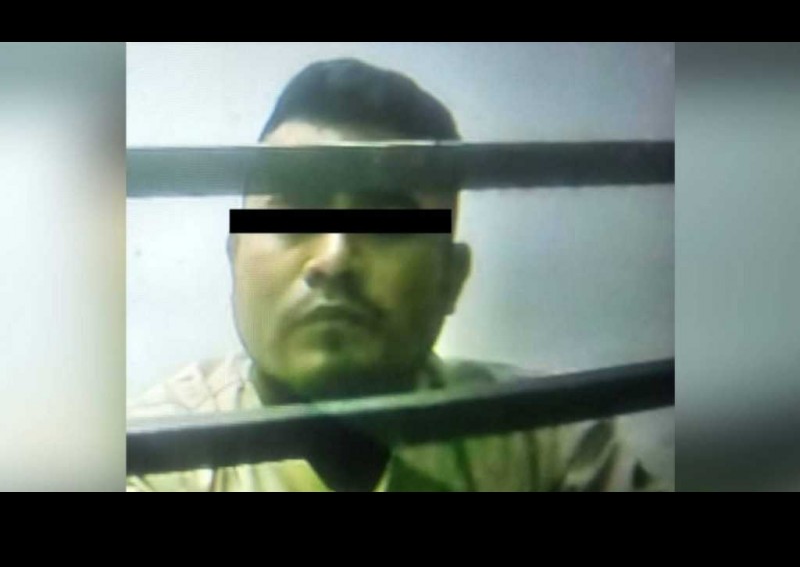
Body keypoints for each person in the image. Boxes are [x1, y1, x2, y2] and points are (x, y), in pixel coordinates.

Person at [127, 58, 667, 491]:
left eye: (387, 222)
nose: (334, 258)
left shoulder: (548, 440)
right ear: (235, 254)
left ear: (452, 278)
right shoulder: (151, 456)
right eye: (292, 215)